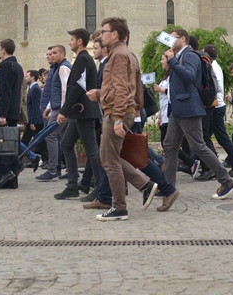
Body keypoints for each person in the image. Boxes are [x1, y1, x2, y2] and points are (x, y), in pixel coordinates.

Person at [162, 28, 233, 202]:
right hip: (178, 109)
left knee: (198, 146)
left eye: (172, 39)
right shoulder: (179, 56)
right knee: (170, 146)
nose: (169, 42)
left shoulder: (189, 55)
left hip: (188, 108)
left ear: (183, 39)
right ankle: (168, 187)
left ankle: (226, 181)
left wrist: (172, 62)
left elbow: (190, 77)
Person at [95, 17, 156, 221]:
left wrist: (119, 117)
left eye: (104, 31)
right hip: (121, 110)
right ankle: (144, 186)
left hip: (116, 112)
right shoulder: (125, 54)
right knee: (109, 158)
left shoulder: (118, 56)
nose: (101, 35)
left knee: (109, 161)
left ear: (114, 34)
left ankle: (120, 207)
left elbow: (122, 88)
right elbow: (132, 86)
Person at [56, 29, 102, 200]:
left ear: (80, 41)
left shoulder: (83, 59)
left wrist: (63, 111)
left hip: (84, 112)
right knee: (67, 145)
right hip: (78, 112)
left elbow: (77, 87)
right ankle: (72, 186)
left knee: (91, 150)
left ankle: (99, 188)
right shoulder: (82, 59)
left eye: (72, 39)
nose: (69, 42)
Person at [0, 39, 23, 189]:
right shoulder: (18, 66)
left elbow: (6, 92)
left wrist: (2, 114)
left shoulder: (6, 67)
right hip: (13, 110)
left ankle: (8, 170)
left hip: (4, 111)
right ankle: (11, 180)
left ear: (3, 50)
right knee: (8, 145)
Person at [203, 45, 233, 176]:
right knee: (206, 136)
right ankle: (214, 165)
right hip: (215, 106)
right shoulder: (213, 66)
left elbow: (218, 86)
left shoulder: (214, 67)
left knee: (221, 138)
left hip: (216, 107)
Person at [36, 46, 71, 181]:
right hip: (59, 107)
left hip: (61, 109)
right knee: (67, 138)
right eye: (50, 53)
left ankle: (53, 169)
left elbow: (65, 90)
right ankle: (70, 168)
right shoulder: (56, 68)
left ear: (62, 54)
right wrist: (50, 106)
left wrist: (62, 110)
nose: (52, 56)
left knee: (50, 136)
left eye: (55, 53)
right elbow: (55, 90)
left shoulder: (63, 68)